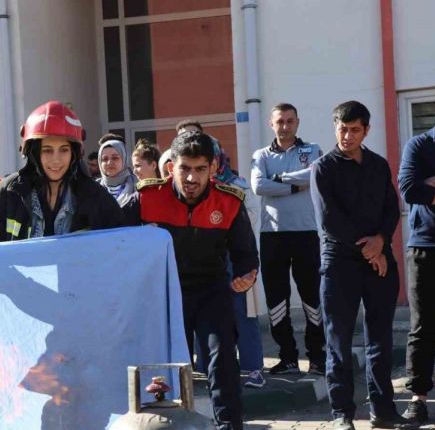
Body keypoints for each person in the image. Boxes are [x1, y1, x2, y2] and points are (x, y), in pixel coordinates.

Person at [124, 130, 259, 430]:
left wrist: (245, 278)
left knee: (221, 356)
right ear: (171, 167)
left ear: (212, 168)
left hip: (212, 291)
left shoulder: (230, 202)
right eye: (185, 168)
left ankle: (228, 425)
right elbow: (112, 238)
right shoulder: (146, 198)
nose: (191, 178)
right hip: (164, 294)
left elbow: (247, 256)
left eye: (200, 169)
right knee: (167, 365)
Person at [311, 101, 416, 430]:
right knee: (338, 341)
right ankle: (342, 413)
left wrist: (381, 242)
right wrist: (371, 250)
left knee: (380, 339)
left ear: (366, 130)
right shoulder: (323, 168)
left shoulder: (378, 165)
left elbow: (391, 207)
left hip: (379, 262)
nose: (347, 135)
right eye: (342, 128)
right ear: (335, 128)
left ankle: (383, 410)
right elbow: (330, 221)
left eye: (354, 129)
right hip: (340, 263)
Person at [0, 100, 123, 247]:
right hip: (24, 291)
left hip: (77, 290)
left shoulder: (95, 196)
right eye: (47, 150)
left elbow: (124, 243)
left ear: (74, 153)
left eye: (64, 150)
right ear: (34, 153)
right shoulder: (6, 193)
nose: (56, 160)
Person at [250, 103, 326, 375]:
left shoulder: (311, 150)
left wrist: (279, 179)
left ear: (297, 122)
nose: (285, 126)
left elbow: (314, 174)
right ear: (272, 124)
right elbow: (259, 185)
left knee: (311, 297)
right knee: (276, 299)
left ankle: (317, 357)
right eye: (280, 121)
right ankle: (288, 357)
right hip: (273, 236)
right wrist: (295, 185)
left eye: (289, 121)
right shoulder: (261, 155)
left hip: (306, 234)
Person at [398, 82, 435, 423]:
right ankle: (418, 396)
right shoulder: (418, 144)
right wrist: (426, 184)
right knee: (423, 326)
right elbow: (408, 189)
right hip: (425, 246)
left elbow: (423, 187)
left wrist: (434, 182)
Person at [212, 137, 266, 389]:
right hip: (209, 261)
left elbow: (251, 218)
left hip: (237, 259)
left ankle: (253, 368)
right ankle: (215, 370)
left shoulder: (238, 186)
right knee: (213, 318)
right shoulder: (199, 189)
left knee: (244, 315)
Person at [97, 133, 137, 207]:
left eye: (115, 158)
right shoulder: (93, 188)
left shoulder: (138, 185)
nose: (109, 162)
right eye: (105, 159)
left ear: (125, 159)